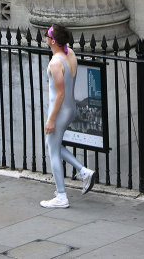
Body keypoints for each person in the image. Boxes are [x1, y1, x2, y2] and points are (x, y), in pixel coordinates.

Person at [40, 24, 95, 208]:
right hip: (70, 108)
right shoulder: (69, 53)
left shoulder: (55, 63)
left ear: (53, 41)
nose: (45, 37)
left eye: (46, 35)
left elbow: (60, 94)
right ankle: (83, 171)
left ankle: (61, 196)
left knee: (52, 151)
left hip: (61, 110)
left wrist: (51, 119)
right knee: (53, 144)